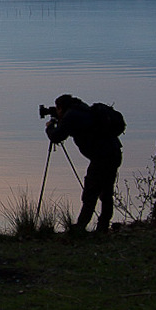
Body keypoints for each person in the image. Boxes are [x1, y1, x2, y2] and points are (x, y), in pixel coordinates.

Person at [45, 94, 122, 234]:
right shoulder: (82, 109)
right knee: (106, 192)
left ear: (62, 107)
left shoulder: (71, 116)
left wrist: (50, 127)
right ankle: (102, 226)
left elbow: (57, 136)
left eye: (57, 108)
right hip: (113, 152)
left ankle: (81, 226)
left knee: (90, 192)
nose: (57, 111)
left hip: (103, 157)